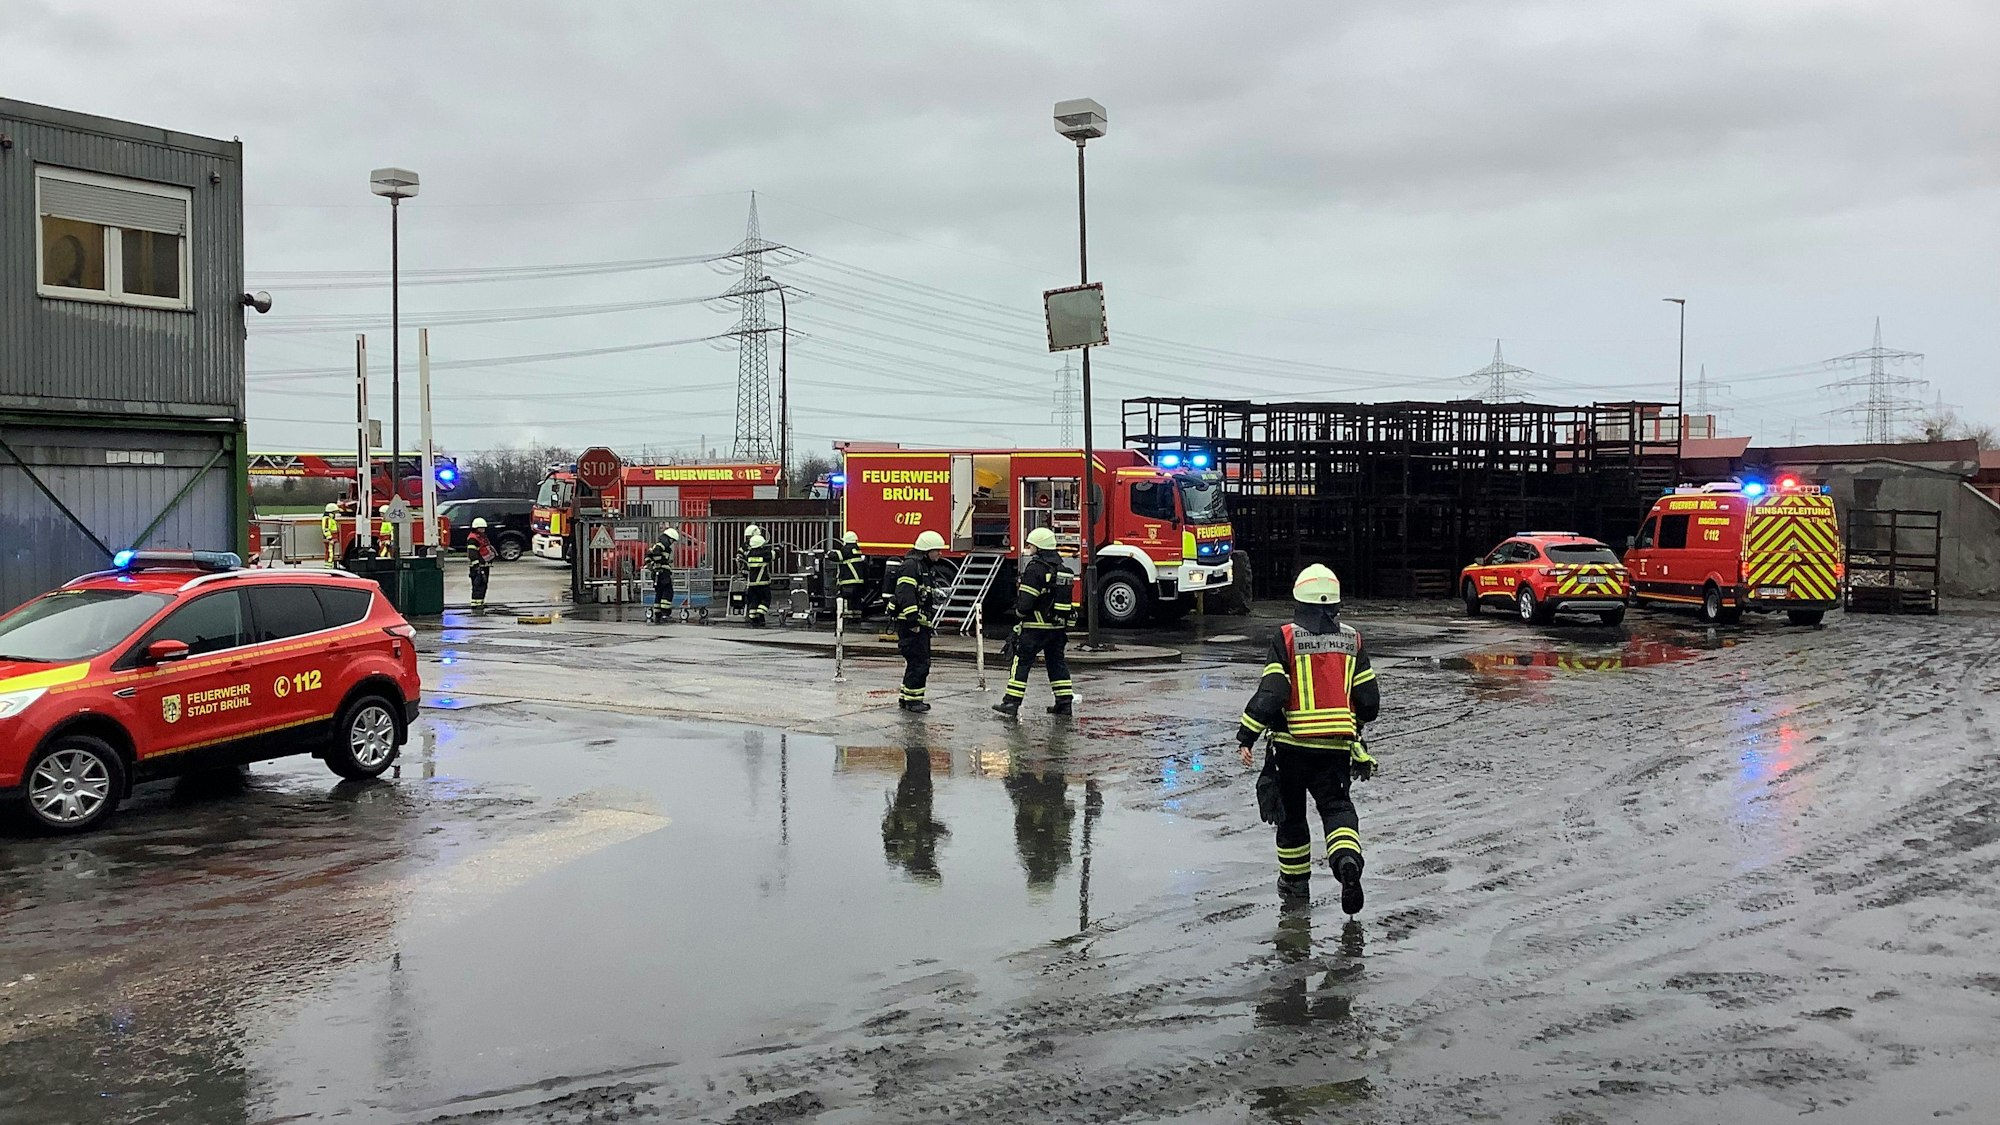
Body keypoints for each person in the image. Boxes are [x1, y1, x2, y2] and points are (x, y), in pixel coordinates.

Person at [1234, 564, 1380, 913]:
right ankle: (1347, 862)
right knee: (1337, 808)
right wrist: (1354, 725)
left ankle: (1295, 886)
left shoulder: (1286, 638)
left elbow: (1273, 692)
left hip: (1291, 751)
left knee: (1292, 819)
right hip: (1335, 749)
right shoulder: (1352, 640)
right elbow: (1370, 702)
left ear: (1299, 601)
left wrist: (1247, 735)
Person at [993, 526, 1076, 717]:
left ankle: (1011, 703)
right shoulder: (1061, 569)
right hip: (1057, 629)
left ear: (1038, 547)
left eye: (1031, 545)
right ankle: (1064, 703)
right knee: (1056, 664)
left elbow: (1025, 603)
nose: (1029, 548)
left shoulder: (1035, 569)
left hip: (1034, 629)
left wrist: (1018, 614)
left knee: (1021, 662)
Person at [894, 530, 947, 712]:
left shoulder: (922, 567)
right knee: (919, 663)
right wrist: (913, 621)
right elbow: (905, 593)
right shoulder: (912, 566)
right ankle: (913, 702)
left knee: (916, 662)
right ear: (926, 551)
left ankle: (907, 697)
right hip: (912, 625)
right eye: (936, 550)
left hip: (919, 624)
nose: (940, 554)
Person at [645, 527, 682, 624]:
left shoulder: (656, 545)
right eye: (672, 540)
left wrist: (651, 564)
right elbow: (657, 555)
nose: (672, 542)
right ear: (668, 538)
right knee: (668, 592)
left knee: (659, 593)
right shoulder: (661, 545)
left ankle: (658, 614)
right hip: (663, 573)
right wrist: (660, 563)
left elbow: (648, 555)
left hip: (657, 573)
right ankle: (665, 613)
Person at [742, 533, 773, 627]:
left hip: (752, 584)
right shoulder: (765, 554)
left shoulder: (748, 555)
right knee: (766, 599)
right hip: (763, 583)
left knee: (754, 600)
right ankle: (760, 614)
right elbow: (775, 554)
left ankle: (753, 617)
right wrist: (779, 547)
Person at [837, 530, 868, 620]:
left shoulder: (846, 549)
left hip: (848, 581)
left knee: (848, 602)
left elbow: (837, 556)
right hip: (859, 582)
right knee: (857, 601)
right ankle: (857, 618)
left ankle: (848, 619)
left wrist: (828, 553)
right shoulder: (857, 550)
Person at [466, 517, 495, 610]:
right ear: (476, 528)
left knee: (483, 584)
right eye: (481, 528)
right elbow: (472, 553)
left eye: (483, 528)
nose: (483, 530)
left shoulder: (482, 537)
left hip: (484, 565)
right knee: (478, 585)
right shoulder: (473, 539)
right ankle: (475, 603)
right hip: (477, 567)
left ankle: (480, 602)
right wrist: (476, 565)